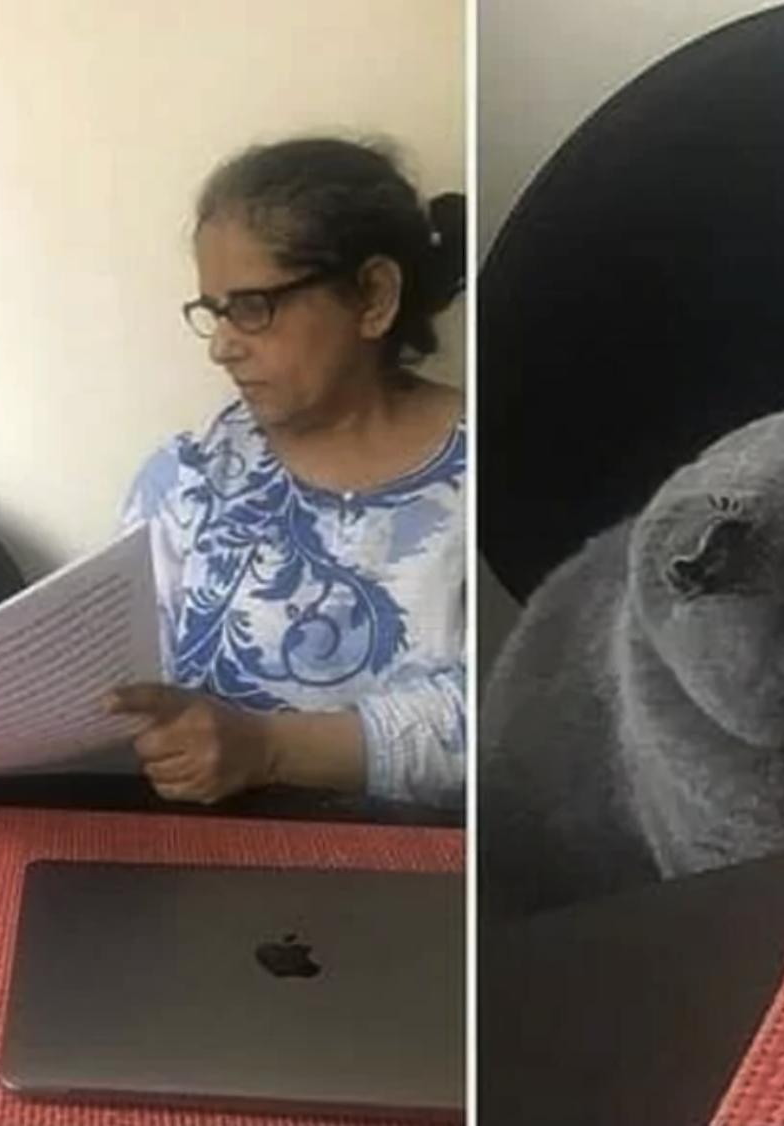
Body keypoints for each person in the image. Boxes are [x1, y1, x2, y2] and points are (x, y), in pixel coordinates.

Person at [103, 136, 466, 812]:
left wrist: (267, 747)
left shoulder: (484, 480)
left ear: (374, 298)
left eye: (252, 308)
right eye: (213, 311)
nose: (220, 345)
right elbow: (125, 686)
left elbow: (505, 722)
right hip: (196, 862)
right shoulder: (185, 480)